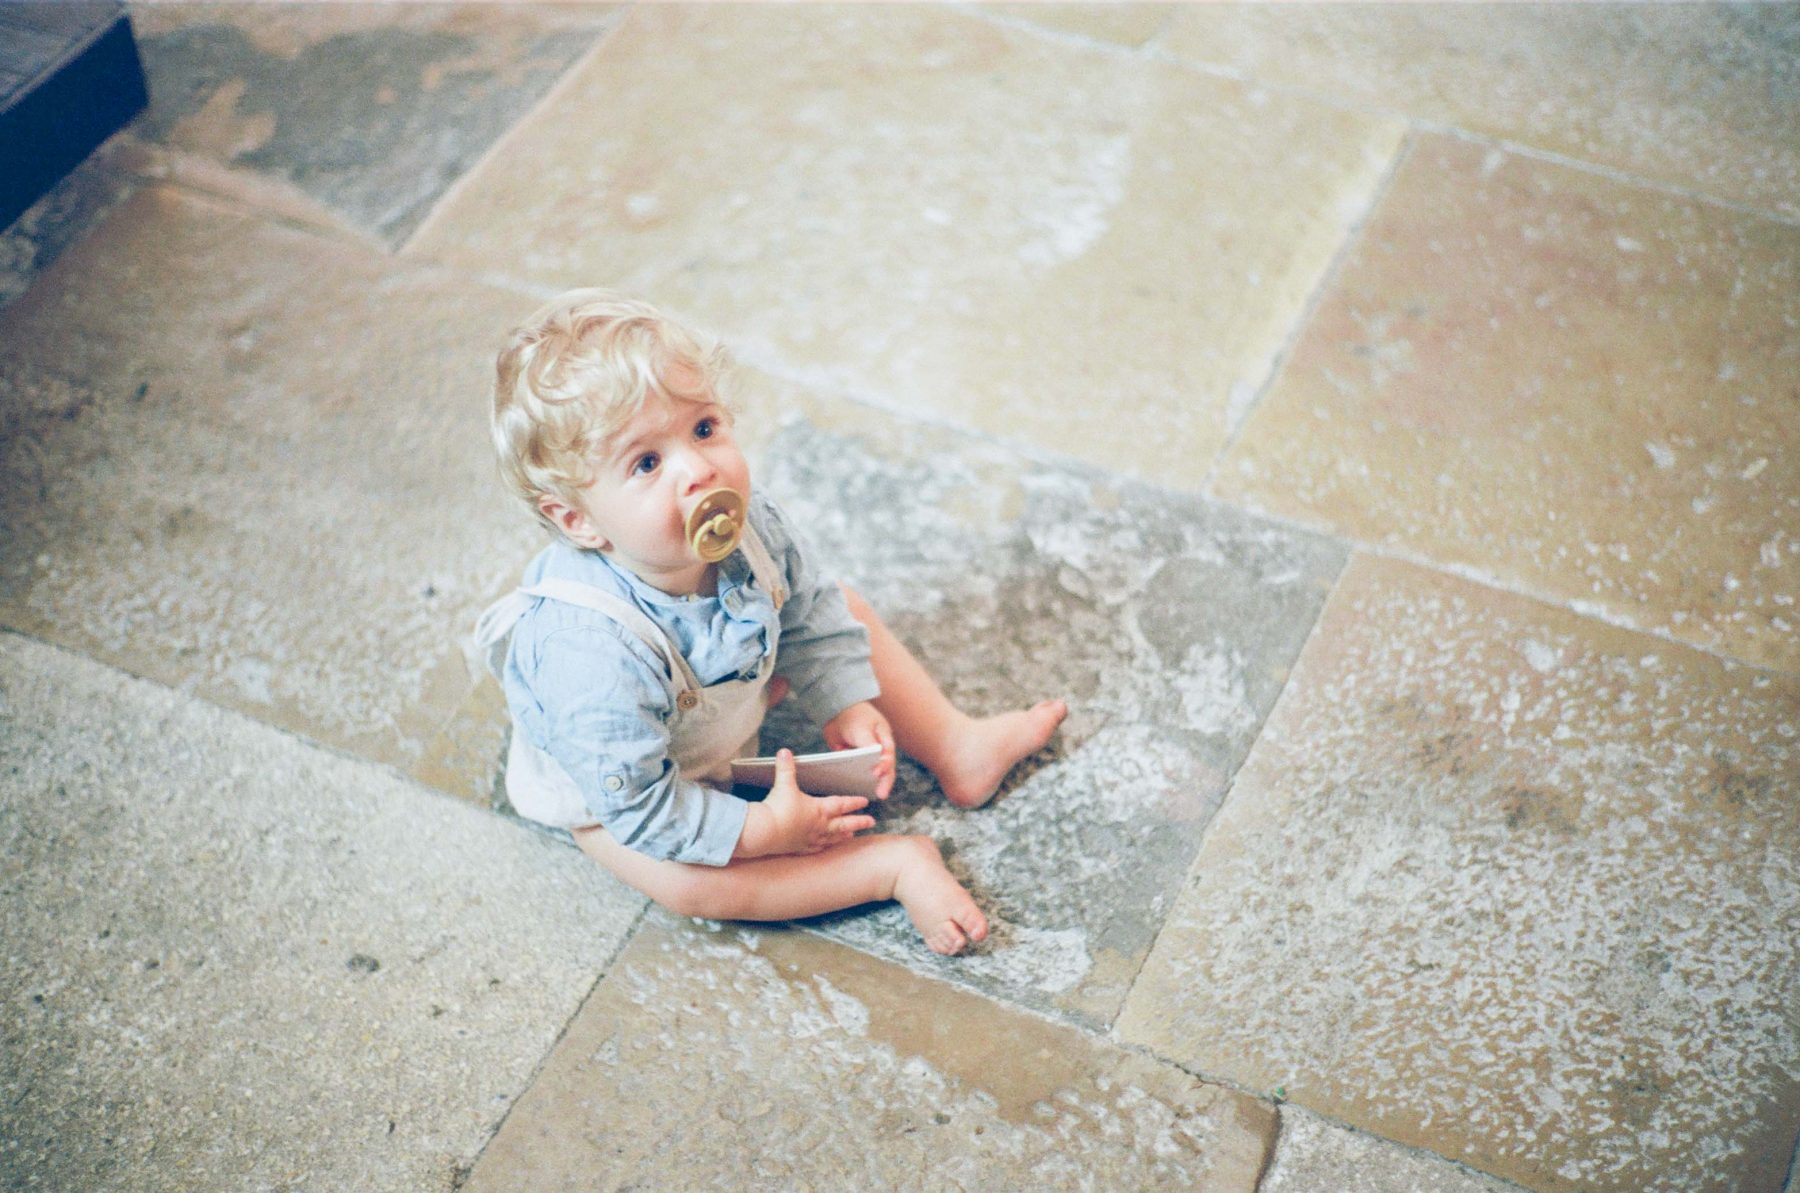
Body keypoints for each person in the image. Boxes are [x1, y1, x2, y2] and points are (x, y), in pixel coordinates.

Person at [475, 290, 1066, 955]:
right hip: (628, 784)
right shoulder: (588, 657)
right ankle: (890, 868)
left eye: (703, 429)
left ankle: (955, 744)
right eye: (647, 463)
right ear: (577, 519)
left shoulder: (751, 525)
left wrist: (844, 697)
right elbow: (639, 808)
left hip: (720, 700)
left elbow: (808, 608)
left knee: (841, 605)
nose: (700, 470)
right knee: (689, 886)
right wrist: (757, 833)